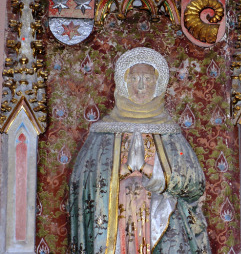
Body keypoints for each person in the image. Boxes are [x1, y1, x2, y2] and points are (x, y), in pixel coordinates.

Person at [69, 47, 211, 254]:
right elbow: (82, 181)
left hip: (162, 224)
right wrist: (121, 172)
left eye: (147, 79)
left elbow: (193, 181)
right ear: (124, 83)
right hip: (113, 226)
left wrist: (148, 170)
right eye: (135, 79)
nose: (141, 86)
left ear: (158, 83)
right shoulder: (102, 133)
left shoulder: (170, 133)